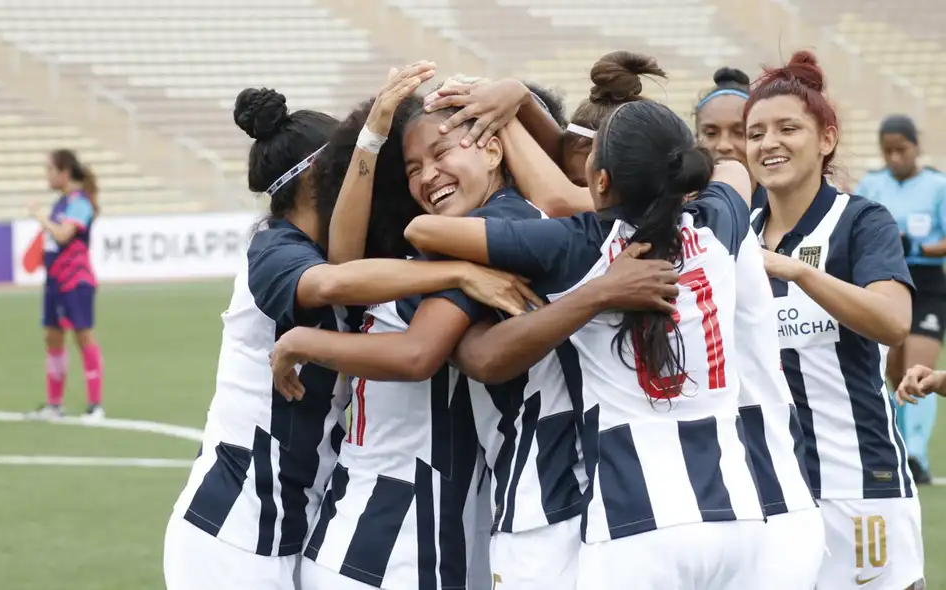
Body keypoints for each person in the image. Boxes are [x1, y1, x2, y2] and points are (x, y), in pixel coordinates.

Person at [271, 87, 681, 589]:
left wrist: (298, 344)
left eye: (441, 153)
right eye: (414, 168)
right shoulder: (513, 224)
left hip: (544, 503)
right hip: (569, 500)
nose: (427, 176)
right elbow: (350, 271)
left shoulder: (496, 230)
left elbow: (421, 351)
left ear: (491, 150)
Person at [163, 87, 535, 590]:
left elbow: (349, 265)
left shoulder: (365, 258)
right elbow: (333, 281)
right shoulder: (275, 247)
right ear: (322, 175)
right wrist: (460, 274)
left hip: (301, 523)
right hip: (236, 521)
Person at [402, 101, 767, 589]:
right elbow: (733, 170)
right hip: (737, 516)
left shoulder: (579, 245)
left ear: (600, 181)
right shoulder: (716, 224)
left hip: (634, 525)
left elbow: (423, 230)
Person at [745, 51, 924, 590]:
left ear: (826, 139)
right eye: (756, 133)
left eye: (787, 128)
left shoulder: (860, 221)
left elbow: (894, 323)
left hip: (857, 481)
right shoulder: (737, 234)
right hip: (768, 490)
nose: (768, 143)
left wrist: (797, 272)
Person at [424, 51, 666, 205]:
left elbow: (558, 200)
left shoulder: (646, 199)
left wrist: (509, 107)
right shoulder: (578, 155)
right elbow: (558, 150)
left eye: (581, 185)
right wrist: (517, 94)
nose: (556, 180)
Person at [856, 114, 946, 485]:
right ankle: (895, 443)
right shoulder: (871, 185)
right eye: (887, 151)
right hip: (886, 281)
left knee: (920, 368)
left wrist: (918, 246)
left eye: (901, 149)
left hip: (926, 282)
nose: (894, 157)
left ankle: (915, 456)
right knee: (893, 370)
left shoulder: (937, 185)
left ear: (915, 146)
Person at [26, 149, 103, 421]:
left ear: (64, 172)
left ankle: (95, 407)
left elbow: (62, 235)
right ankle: (54, 405)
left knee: (84, 337)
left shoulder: (79, 202)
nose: (47, 175)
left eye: (50, 170)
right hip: (56, 282)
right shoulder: (62, 202)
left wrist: (40, 216)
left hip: (76, 281)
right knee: (52, 337)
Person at [694, 67, 767, 211]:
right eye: (710, 133)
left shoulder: (780, 215)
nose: (724, 146)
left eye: (739, 133)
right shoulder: (680, 216)